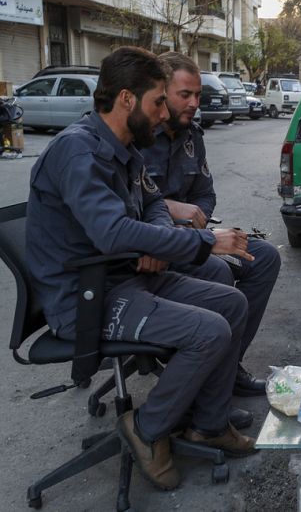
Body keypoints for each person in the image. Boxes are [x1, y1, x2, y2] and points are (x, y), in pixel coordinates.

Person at [27, 46, 257, 491]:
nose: (163, 113)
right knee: (207, 330)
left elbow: (151, 202)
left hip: (121, 278)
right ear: (128, 99)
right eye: (157, 102)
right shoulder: (79, 152)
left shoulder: (124, 146)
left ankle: (207, 423)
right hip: (86, 299)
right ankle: (147, 429)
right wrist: (202, 242)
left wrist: (164, 237)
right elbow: (112, 233)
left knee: (230, 301)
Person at [140, 52, 281, 397]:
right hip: (153, 247)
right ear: (160, 93)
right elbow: (127, 210)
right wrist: (172, 210)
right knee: (218, 271)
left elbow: (206, 195)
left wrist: (194, 216)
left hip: (193, 237)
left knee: (263, 256)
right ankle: (205, 383)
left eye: (198, 95)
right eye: (183, 95)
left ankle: (227, 368)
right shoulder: (138, 138)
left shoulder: (192, 137)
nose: (193, 103)